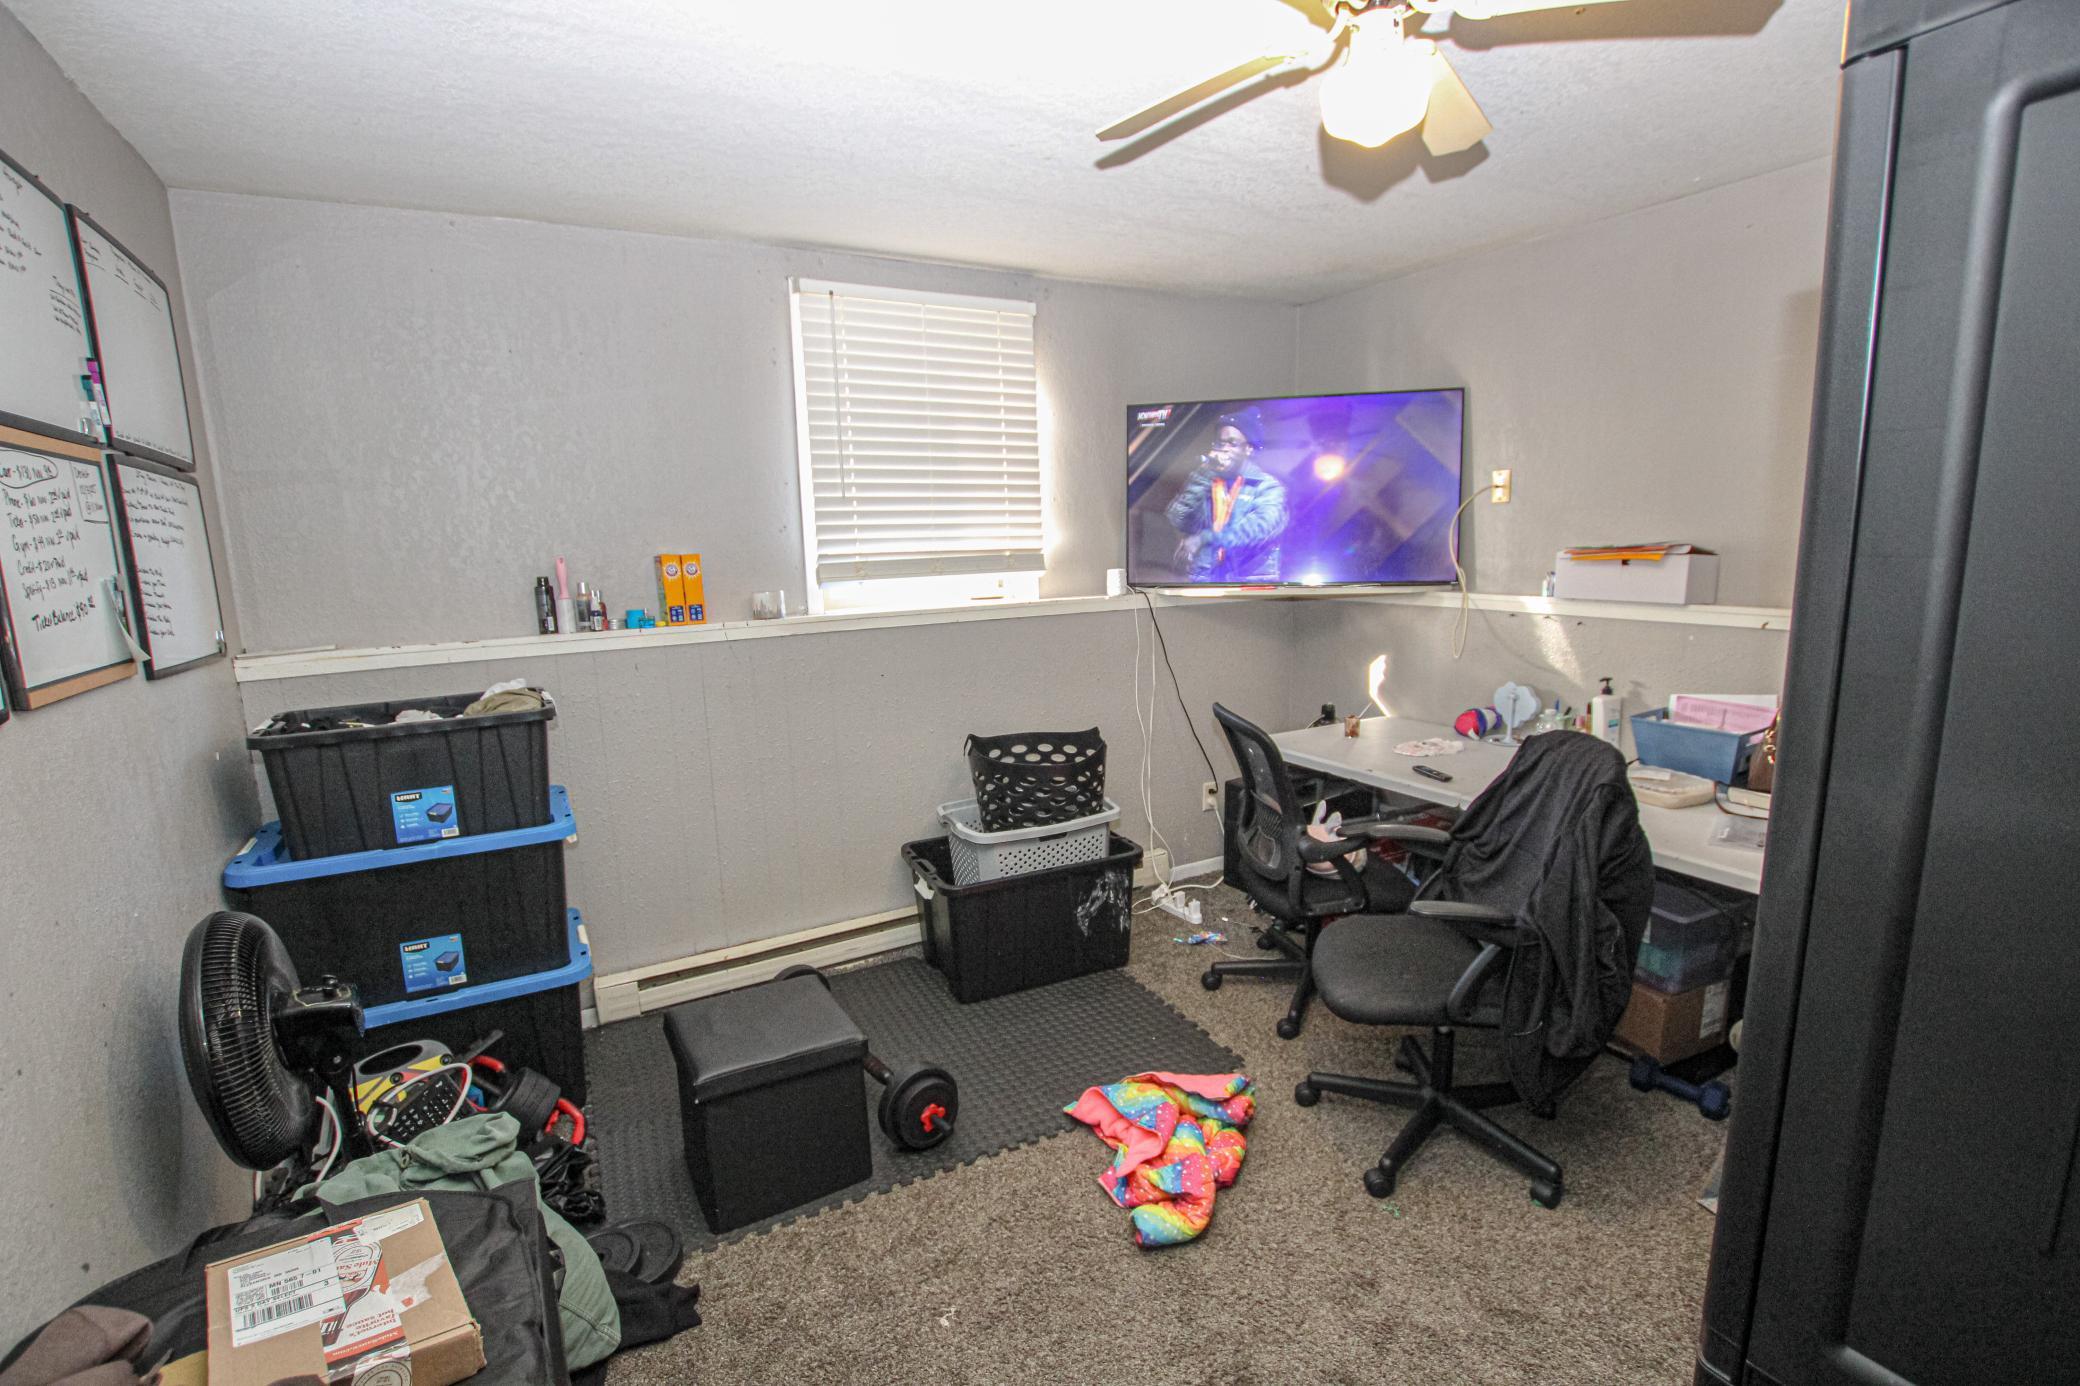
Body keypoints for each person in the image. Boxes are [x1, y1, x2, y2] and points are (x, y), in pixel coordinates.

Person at [1164, 409, 1288, 581]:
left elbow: (1259, 529)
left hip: (1248, 583)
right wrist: (1203, 475)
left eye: (1232, 443)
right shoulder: (1207, 481)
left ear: (1248, 449)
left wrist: (1206, 538)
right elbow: (1180, 520)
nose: (1224, 449)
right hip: (1206, 580)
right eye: (1220, 443)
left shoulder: (1266, 486)